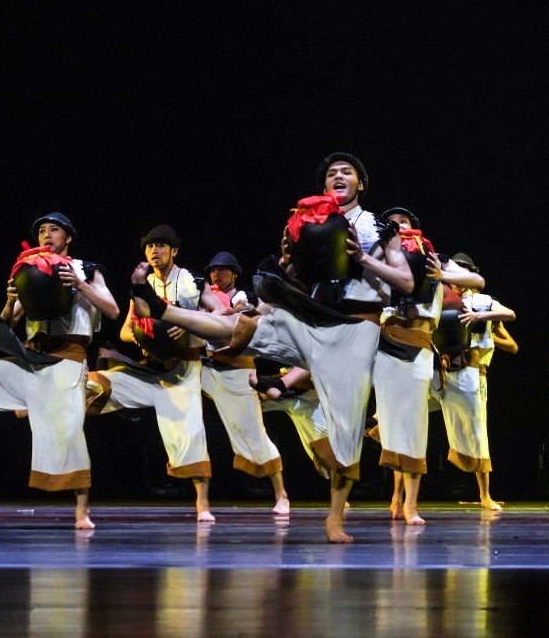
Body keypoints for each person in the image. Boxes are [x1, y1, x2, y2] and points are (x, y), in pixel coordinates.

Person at [127, 152, 416, 543]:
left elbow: (405, 282)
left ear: (360, 183)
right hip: (311, 318)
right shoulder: (310, 224)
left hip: (355, 328)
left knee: (346, 429)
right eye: (331, 173)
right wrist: (288, 262)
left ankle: (334, 519)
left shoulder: (380, 228)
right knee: (237, 325)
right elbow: (297, 275)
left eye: (347, 172)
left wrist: (361, 257)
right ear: (324, 186)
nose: (338, 176)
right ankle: (161, 307)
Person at [0, 212, 118, 529]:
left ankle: (82, 511)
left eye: (54, 229)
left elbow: (112, 309)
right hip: (30, 358)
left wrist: (80, 285)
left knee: (69, 434)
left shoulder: (87, 269)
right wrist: (10, 301)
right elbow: (6, 323)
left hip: (67, 360)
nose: (46, 235)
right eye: (42, 230)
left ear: (68, 237)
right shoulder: (31, 268)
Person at [370, 206, 485, 526]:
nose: (398, 226)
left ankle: (410, 504)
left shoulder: (431, 257)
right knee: (394, 426)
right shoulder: (377, 257)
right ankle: (396, 497)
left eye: (403, 221)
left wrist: (442, 275)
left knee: (413, 425)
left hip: (419, 345)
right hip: (386, 344)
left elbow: (477, 279)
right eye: (391, 223)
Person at [91, 224, 214, 522]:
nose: (154, 251)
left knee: (190, 434)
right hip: (150, 369)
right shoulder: (142, 286)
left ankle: (202, 503)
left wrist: (189, 324)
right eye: (150, 246)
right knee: (96, 384)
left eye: (161, 245)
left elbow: (220, 318)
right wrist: (144, 331)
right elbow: (124, 332)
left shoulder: (194, 282)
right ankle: (43, 402)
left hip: (184, 367)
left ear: (174, 251)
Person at [195, 250, 292, 516]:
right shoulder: (203, 299)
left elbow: (251, 312)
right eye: (213, 270)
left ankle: (281, 494)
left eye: (222, 270)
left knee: (254, 435)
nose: (216, 274)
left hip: (236, 372)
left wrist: (242, 311)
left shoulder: (243, 297)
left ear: (235, 274)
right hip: (206, 369)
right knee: (185, 416)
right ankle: (201, 500)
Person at [432, 252, 517, 511]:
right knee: (409, 396)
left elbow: (510, 314)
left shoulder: (480, 301)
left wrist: (479, 319)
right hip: (444, 370)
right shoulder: (443, 300)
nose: (455, 281)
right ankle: (376, 425)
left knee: (477, 432)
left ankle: (485, 496)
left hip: (471, 372)